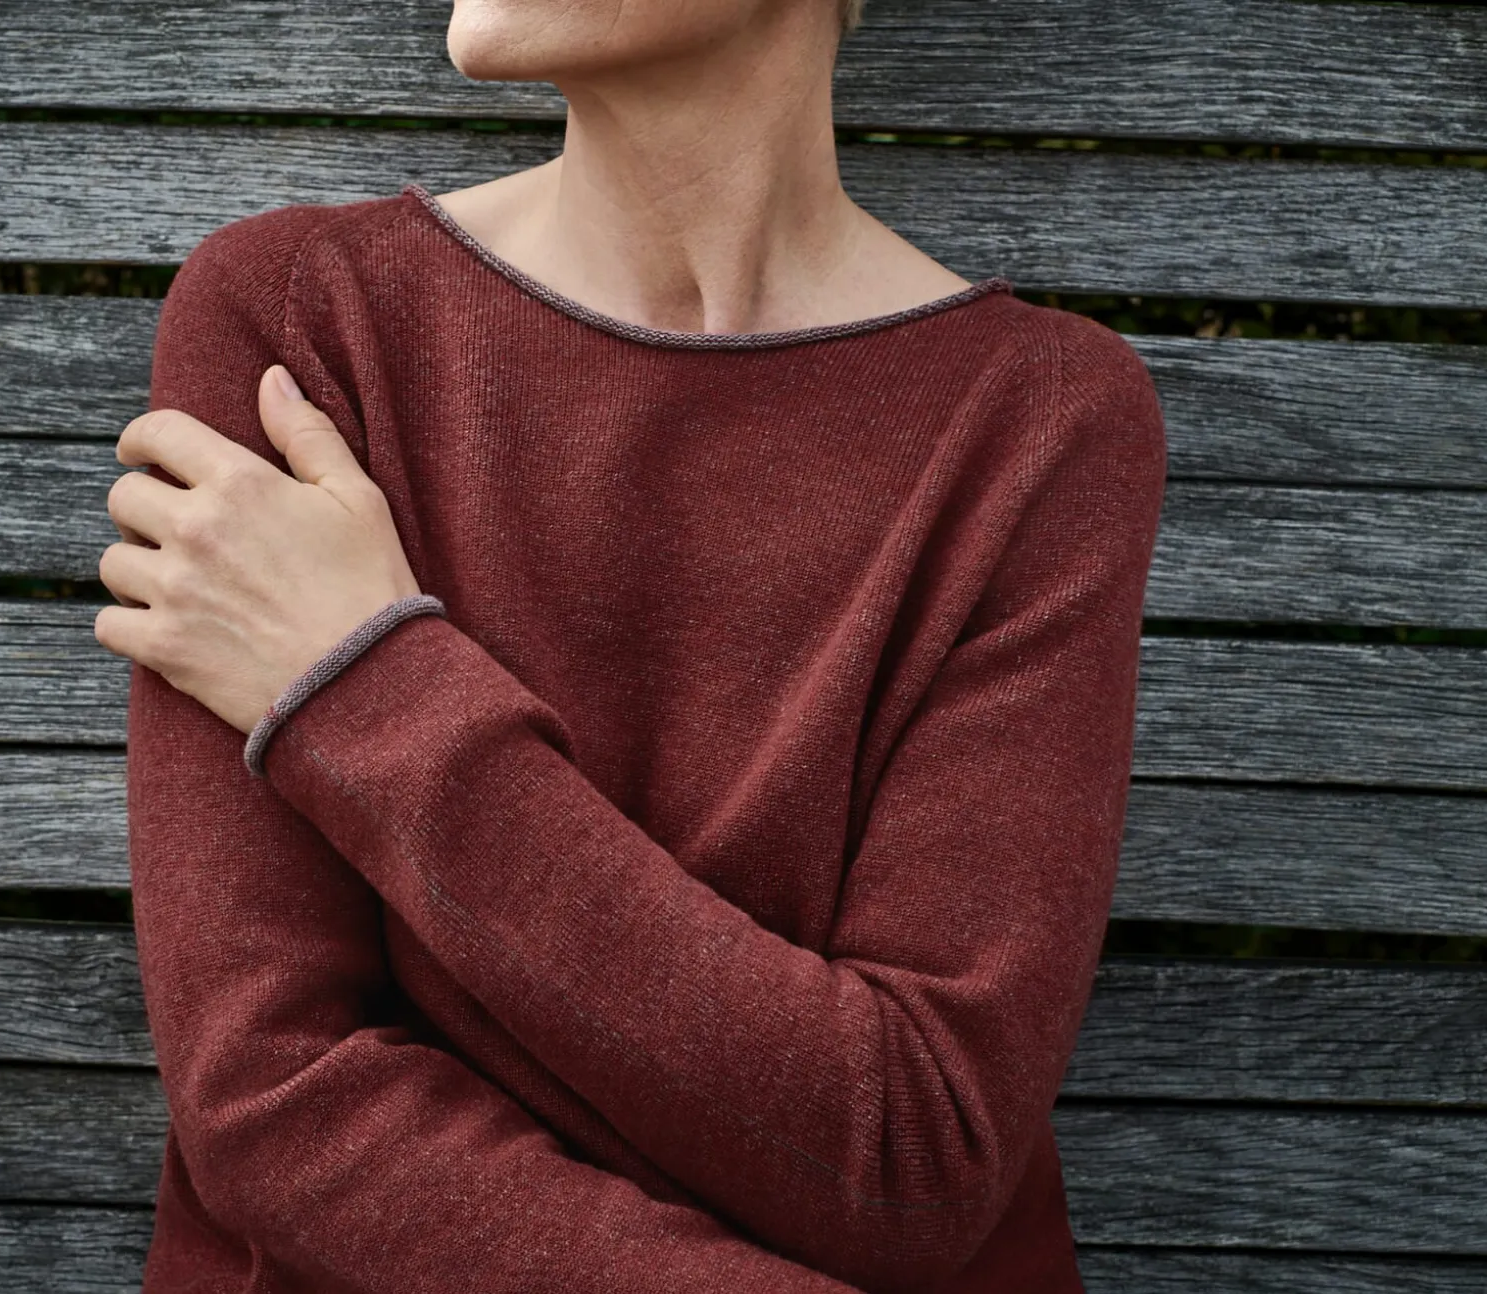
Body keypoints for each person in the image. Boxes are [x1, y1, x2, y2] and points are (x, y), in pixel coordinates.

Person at [93, 0, 1168, 1289]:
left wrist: (360, 688)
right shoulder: (300, 320)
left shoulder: (1045, 423)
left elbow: (910, 1152)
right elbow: (274, 1098)